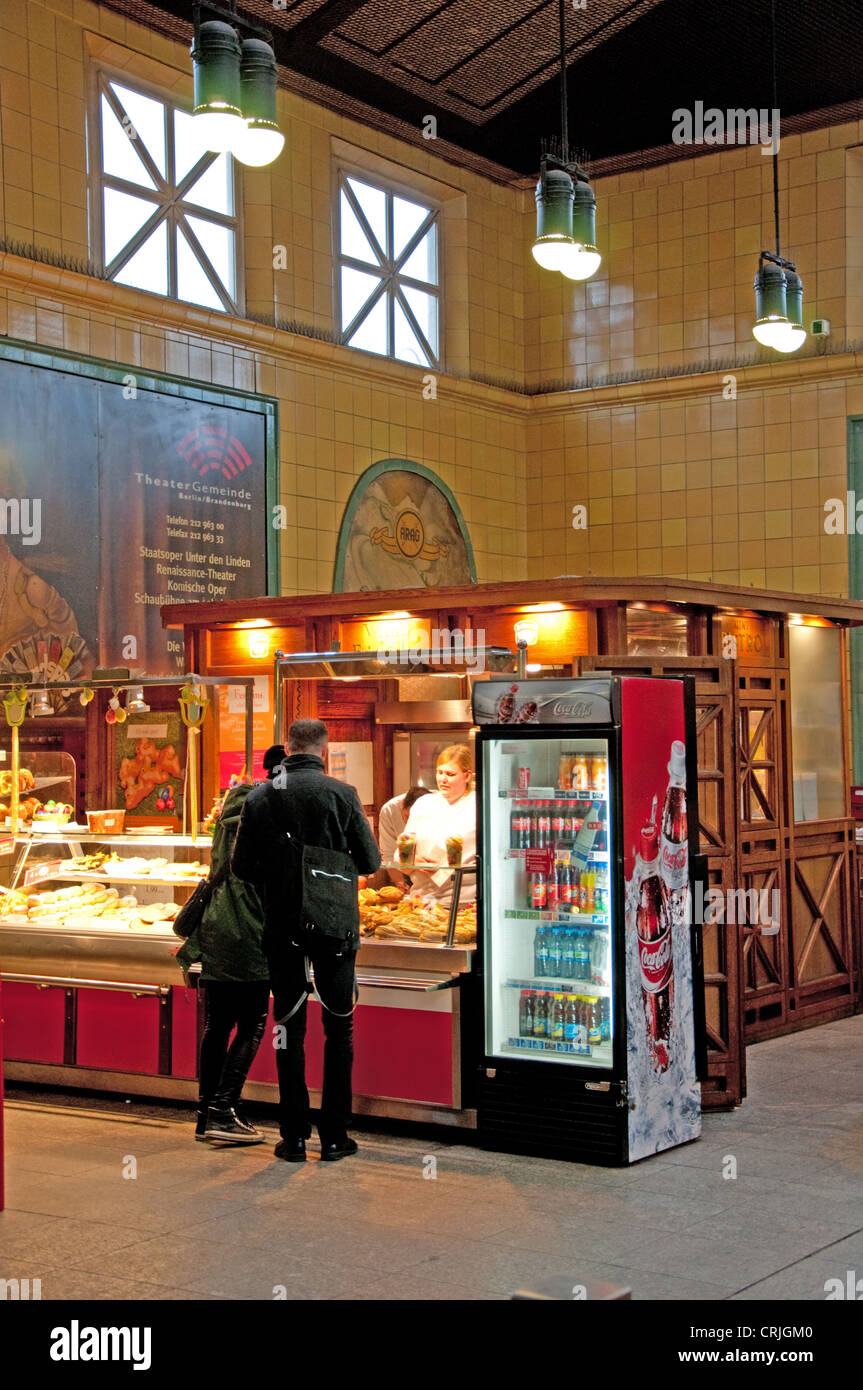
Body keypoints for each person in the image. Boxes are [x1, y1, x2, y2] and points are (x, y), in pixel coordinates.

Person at [232, 718, 381, 1163]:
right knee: (339, 1028)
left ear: (288, 747)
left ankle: (293, 1136)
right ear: (323, 749)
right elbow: (370, 862)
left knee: (287, 1029)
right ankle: (335, 1136)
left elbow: (241, 866)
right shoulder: (342, 795)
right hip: (334, 925)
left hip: (283, 926)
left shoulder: (260, 795)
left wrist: (280, 880)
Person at [175, 780, 270, 1145]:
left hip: (215, 927)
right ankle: (224, 1108)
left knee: (216, 1026)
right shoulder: (263, 827)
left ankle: (204, 1114)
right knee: (252, 1024)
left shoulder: (223, 826)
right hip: (248, 929)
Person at [402, 745, 476, 907]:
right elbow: (403, 848)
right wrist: (411, 861)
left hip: (463, 902)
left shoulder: (479, 806)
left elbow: (487, 864)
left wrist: (442, 870)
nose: (443, 779)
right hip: (421, 899)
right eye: (440, 772)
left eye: (450, 774)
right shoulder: (423, 803)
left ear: (467, 775)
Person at [369, 784, 431, 890]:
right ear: (402, 804)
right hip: (403, 871)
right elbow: (389, 854)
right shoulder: (389, 810)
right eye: (407, 817)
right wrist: (401, 885)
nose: (411, 823)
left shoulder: (440, 806)